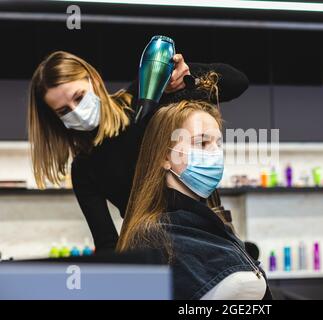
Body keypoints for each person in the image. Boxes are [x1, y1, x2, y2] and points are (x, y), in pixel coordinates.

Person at [27, 50, 249, 251]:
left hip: (210, 231)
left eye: (79, 97)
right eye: (64, 110)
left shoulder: (146, 98)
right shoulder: (84, 168)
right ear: (55, 119)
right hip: (155, 248)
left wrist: (188, 81)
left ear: (93, 80)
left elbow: (237, 82)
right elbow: (107, 243)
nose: (77, 111)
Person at [116, 100, 272, 300]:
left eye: (218, 143)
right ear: (164, 156)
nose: (215, 153)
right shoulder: (152, 236)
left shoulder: (215, 226)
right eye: (202, 143)